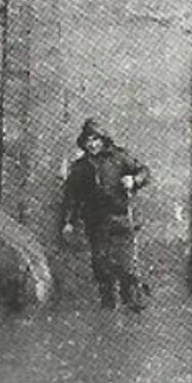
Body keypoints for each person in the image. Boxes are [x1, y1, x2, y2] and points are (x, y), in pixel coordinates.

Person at [60, 118, 151, 311]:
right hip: (96, 221)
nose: (92, 144)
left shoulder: (119, 157)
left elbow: (144, 171)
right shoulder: (81, 167)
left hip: (122, 219)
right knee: (101, 265)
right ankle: (108, 304)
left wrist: (134, 180)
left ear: (103, 139)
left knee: (126, 265)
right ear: (83, 143)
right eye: (88, 140)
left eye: (96, 139)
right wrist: (69, 221)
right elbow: (72, 196)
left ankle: (131, 302)